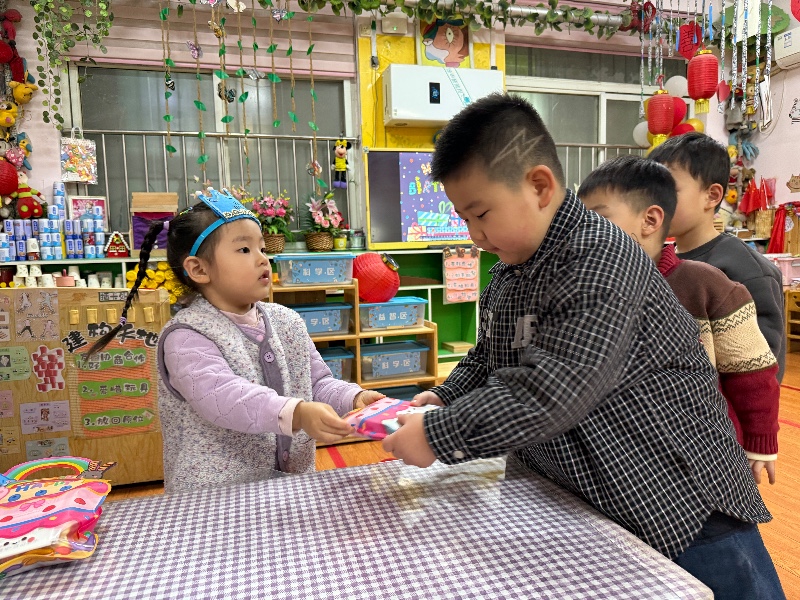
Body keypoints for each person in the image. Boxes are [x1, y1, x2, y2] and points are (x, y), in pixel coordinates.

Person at [382, 94, 785, 599]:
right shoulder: (511, 272)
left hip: (678, 499)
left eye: (481, 213)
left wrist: (440, 433)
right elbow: (489, 355)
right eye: (465, 219)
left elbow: (555, 387)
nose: (476, 235)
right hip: (589, 497)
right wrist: (446, 395)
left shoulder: (601, 256)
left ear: (539, 186)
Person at [85, 187, 383, 493]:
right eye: (244, 250)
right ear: (199, 269)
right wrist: (296, 413)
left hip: (289, 489)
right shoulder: (186, 336)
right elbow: (223, 397)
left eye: (262, 248)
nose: (263, 259)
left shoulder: (288, 322)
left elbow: (316, 383)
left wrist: (354, 398)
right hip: (215, 498)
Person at [578, 155, 780, 485]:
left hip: (707, 454)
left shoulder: (706, 284)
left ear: (650, 220)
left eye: (598, 220)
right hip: (628, 456)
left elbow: (752, 370)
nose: (585, 234)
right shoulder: (593, 290)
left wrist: (760, 442)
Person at [649, 132, 786, 382]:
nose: (654, 202)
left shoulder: (747, 270)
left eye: (667, 189)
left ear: (712, 196)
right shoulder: (660, 260)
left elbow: (761, 371)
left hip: (715, 404)